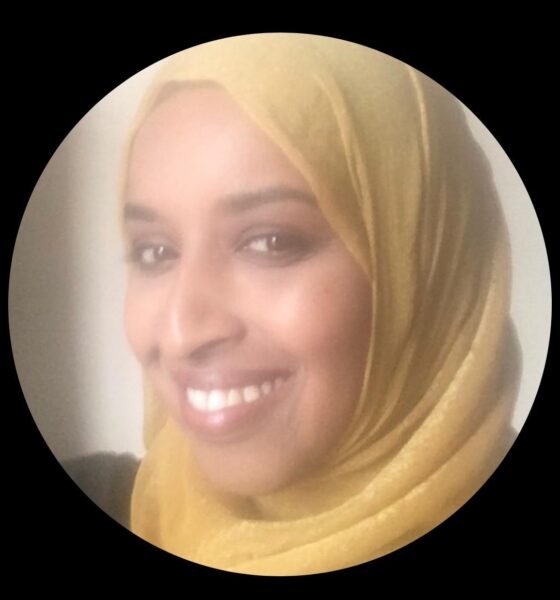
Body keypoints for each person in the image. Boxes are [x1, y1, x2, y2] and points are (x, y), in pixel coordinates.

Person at [111, 33, 520, 575]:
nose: (182, 332)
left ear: (426, 267)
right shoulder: (145, 501)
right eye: (154, 251)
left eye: (271, 242)